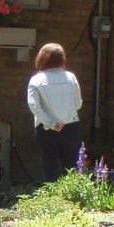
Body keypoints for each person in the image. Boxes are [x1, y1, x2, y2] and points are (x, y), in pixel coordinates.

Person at [27, 42, 83, 183]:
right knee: (71, 167)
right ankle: (71, 199)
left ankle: (52, 200)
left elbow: (34, 105)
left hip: (45, 128)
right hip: (70, 125)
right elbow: (78, 104)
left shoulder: (36, 79)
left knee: (49, 166)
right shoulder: (71, 77)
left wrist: (51, 123)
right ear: (62, 59)